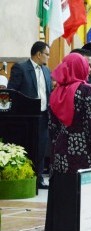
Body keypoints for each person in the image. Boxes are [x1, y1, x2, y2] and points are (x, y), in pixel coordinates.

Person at [43, 53, 91, 231]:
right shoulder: (85, 90)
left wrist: (58, 145)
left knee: (62, 194)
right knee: (78, 195)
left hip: (60, 151)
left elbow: (51, 127)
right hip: (80, 152)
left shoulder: (56, 91)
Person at [7, 41, 52, 190]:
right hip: (26, 118)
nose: (48, 57)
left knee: (41, 149)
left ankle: (38, 179)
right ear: (39, 54)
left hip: (43, 116)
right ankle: (25, 178)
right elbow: (12, 92)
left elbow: (47, 92)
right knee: (27, 148)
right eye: (47, 54)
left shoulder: (46, 71)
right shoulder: (21, 68)